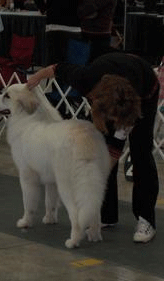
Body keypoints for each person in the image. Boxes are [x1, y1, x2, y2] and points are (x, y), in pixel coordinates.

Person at [27, 52, 159, 243]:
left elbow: (114, 152)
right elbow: (57, 68)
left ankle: (146, 220)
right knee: (98, 144)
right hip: (112, 80)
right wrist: (36, 78)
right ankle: (106, 216)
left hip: (145, 90)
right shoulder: (85, 77)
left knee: (141, 153)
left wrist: (94, 177)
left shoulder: (130, 103)